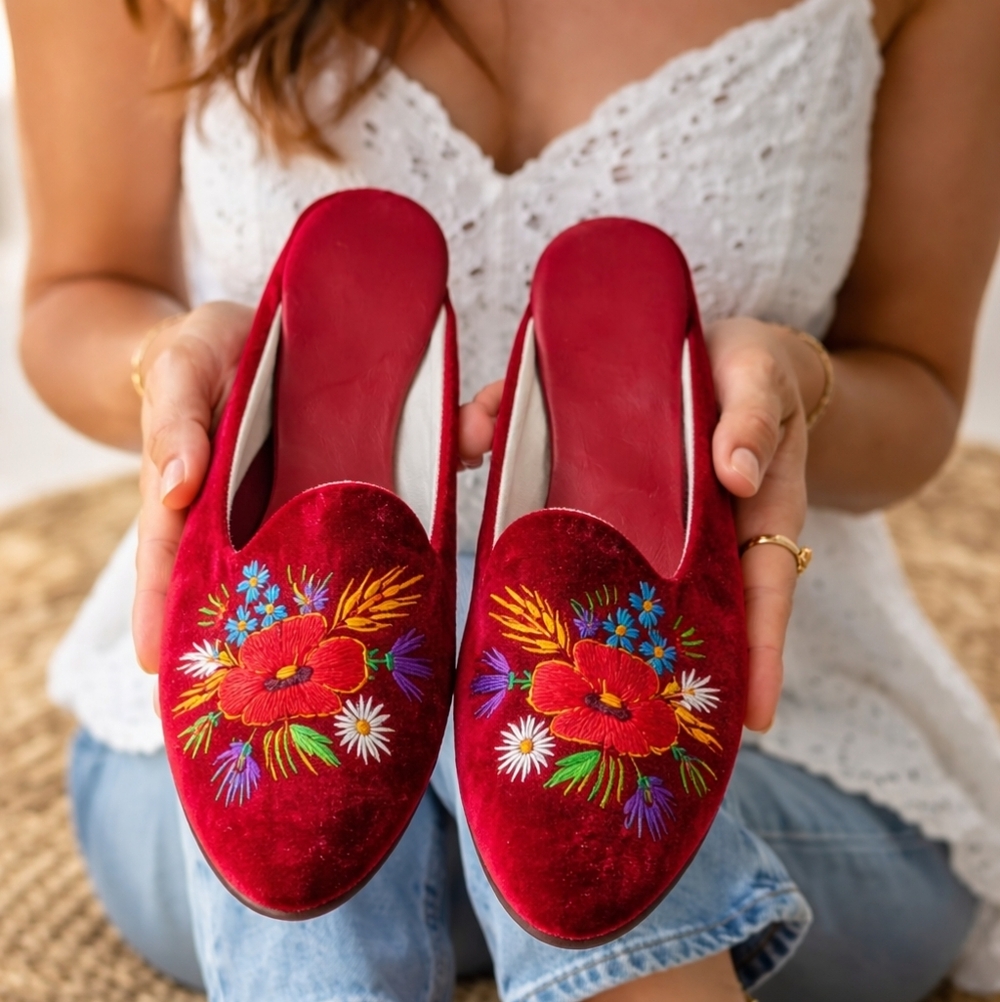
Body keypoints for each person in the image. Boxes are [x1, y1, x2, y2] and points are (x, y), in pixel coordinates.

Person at [9, 0, 1000, 999]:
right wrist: (166, 364)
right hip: (206, 787)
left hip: (782, 768)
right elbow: (77, 290)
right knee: (443, 723)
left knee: (481, 721)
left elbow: (915, 381)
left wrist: (794, 386)